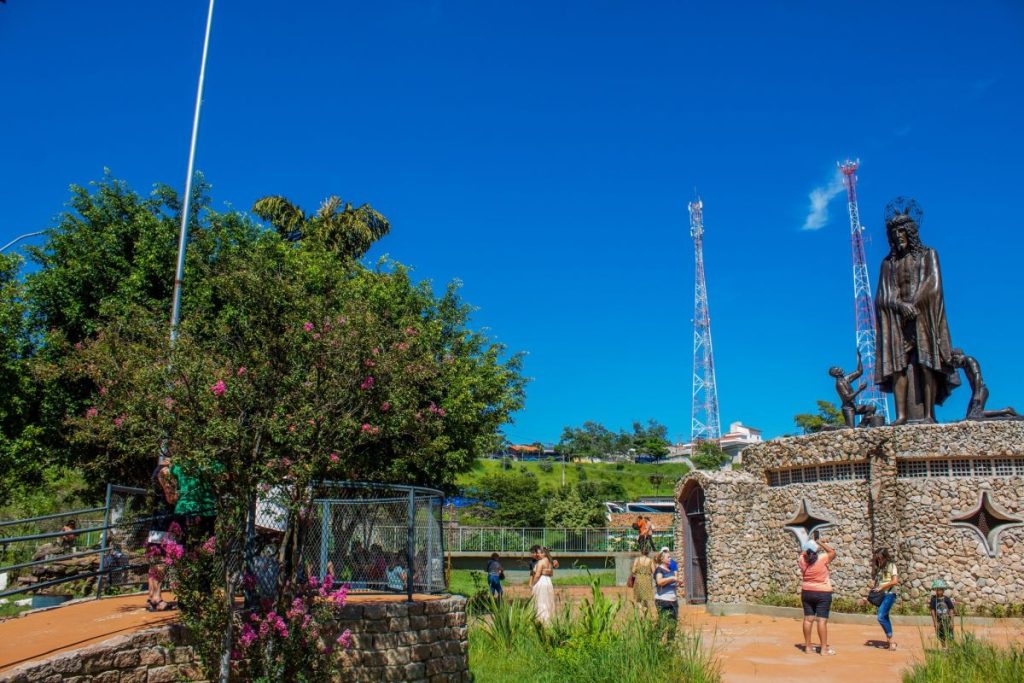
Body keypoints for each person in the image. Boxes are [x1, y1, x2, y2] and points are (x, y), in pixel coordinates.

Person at [874, 199, 959, 424]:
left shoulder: (928, 255)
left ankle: (929, 414)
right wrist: (900, 306)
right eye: (893, 233)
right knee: (898, 366)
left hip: (923, 316)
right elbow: (882, 296)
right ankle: (901, 415)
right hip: (898, 320)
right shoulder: (888, 264)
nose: (897, 237)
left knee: (926, 361)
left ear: (910, 232)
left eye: (901, 232)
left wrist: (915, 304)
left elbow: (934, 286)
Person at [145, 452, 179, 612]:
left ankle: (151, 596)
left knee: (155, 558)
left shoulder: (158, 469)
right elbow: (171, 497)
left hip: (158, 519)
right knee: (160, 559)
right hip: (164, 520)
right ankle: (157, 597)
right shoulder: (165, 471)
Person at [950, 349, 1018, 420]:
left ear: (960, 355)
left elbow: (977, 375)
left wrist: (977, 393)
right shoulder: (964, 364)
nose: (955, 362)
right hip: (977, 391)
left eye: (955, 359)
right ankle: (1005, 415)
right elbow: (952, 364)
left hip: (981, 390)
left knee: (975, 415)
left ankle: (1006, 410)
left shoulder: (969, 359)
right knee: (970, 416)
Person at [798, 537, 836, 655]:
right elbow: (832, 552)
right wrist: (820, 542)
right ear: (815, 550)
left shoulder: (801, 560)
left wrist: (811, 545)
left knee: (808, 620)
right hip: (823, 593)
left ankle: (808, 647)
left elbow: (804, 553)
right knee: (821, 621)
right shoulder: (822, 558)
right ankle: (824, 649)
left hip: (807, 592)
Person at [829, 350, 877, 427]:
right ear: (836, 374)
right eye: (838, 369)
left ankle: (862, 425)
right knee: (850, 429)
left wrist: (859, 358)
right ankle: (829, 427)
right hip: (848, 408)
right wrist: (860, 389)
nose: (841, 369)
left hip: (854, 405)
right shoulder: (839, 384)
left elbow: (859, 372)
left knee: (871, 408)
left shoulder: (846, 379)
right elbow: (847, 398)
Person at [871, 548, 899, 651]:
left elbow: (895, 581)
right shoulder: (879, 568)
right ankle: (889, 640)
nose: (879, 560)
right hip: (882, 595)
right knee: (885, 617)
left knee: (881, 616)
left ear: (885, 556)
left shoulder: (892, 566)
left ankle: (891, 642)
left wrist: (882, 587)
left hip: (890, 593)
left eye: (880, 557)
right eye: (877, 558)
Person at [654, 550, 678, 638]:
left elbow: (672, 582)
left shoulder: (670, 569)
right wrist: (671, 578)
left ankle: (670, 646)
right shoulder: (659, 570)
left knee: (673, 624)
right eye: (668, 557)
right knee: (662, 623)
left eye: (670, 557)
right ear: (662, 559)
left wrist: (677, 582)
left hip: (673, 600)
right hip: (663, 600)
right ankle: (654, 643)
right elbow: (659, 581)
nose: (670, 559)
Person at [529, 545, 556, 625]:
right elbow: (551, 574)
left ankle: (541, 620)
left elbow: (537, 575)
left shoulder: (541, 562)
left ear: (543, 554)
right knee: (547, 601)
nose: (538, 555)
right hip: (548, 581)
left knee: (540, 601)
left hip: (541, 582)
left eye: (539, 553)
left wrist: (533, 584)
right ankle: (548, 620)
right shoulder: (549, 562)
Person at [929, 579, 956, 645]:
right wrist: (935, 622)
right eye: (937, 590)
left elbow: (951, 610)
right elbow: (932, 611)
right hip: (939, 621)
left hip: (947, 621)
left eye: (940, 590)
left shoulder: (946, 599)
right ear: (935, 590)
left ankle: (951, 648)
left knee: (950, 635)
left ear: (943, 590)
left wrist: (952, 622)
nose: (938, 591)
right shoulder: (933, 599)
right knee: (941, 635)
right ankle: (944, 647)